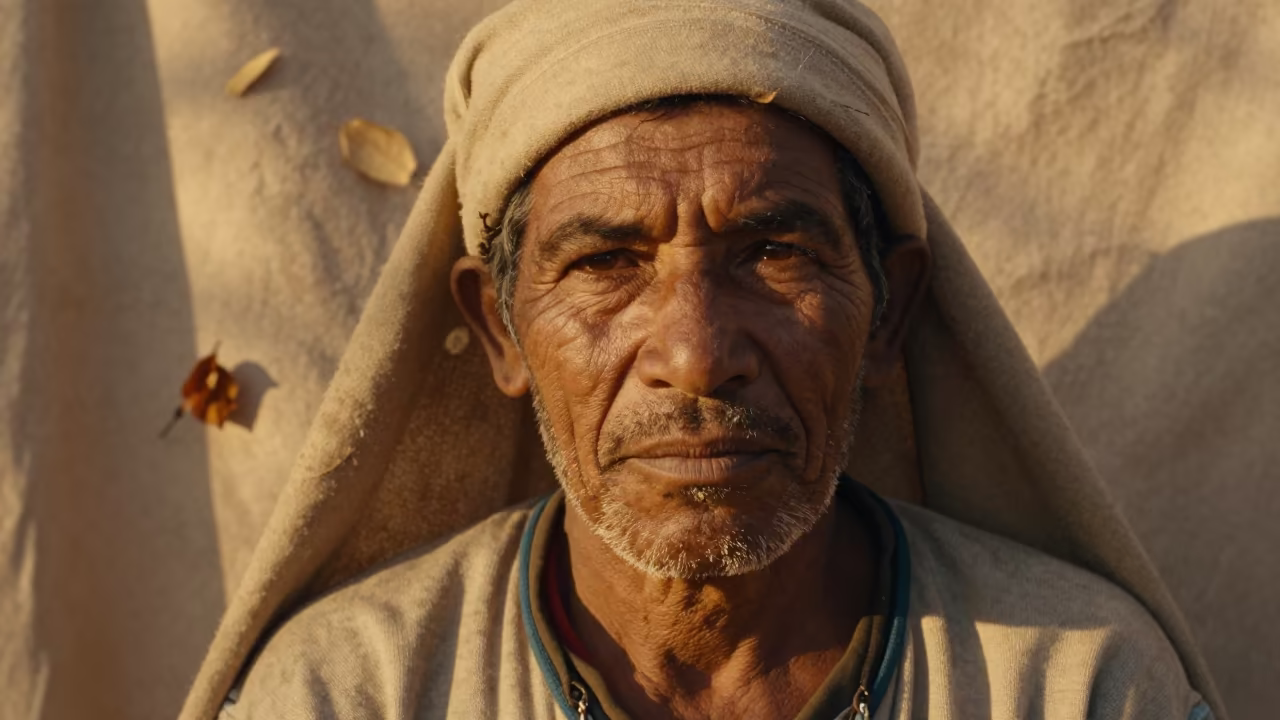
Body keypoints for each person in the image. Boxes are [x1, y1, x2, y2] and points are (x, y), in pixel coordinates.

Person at [182, 1, 1224, 718]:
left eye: (773, 253)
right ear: (499, 328)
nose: (694, 352)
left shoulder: (1072, 683)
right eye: (604, 263)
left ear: (888, 313)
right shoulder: (349, 692)